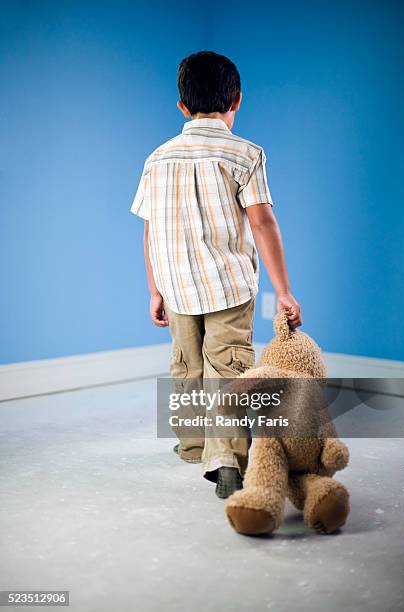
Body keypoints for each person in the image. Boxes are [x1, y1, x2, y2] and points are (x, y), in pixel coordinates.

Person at [130, 50, 302, 498]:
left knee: (185, 364)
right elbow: (263, 222)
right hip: (228, 285)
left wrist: (154, 291)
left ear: (182, 108)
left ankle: (191, 446)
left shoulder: (157, 158)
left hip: (176, 286)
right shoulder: (246, 154)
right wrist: (283, 291)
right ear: (237, 100)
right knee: (228, 367)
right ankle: (226, 457)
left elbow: (150, 232)